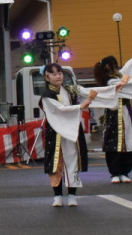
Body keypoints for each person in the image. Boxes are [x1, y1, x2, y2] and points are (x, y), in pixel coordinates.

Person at [38, 63, 121, 208]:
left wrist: (112, 90)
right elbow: (60, 109)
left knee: (73, 161)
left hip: (72, 131)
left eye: (60, 73)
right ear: (47, 77)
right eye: (54, 74)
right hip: (56, 133)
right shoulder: (47, 95)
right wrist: (82, 105)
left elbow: (90, 91)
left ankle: (72, 195)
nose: (58, 76)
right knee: (56, 164)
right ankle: (57, 195)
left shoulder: (71, 89)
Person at [93, 49, 132, 183]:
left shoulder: (119, 76)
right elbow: (124, 84)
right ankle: (115, 173)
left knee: (127, 141)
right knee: (115, 142)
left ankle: (125, 172)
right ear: (108, 67)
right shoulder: (110, 82)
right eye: (114, 65)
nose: (118, 68)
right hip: (114, 114)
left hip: (125, 113)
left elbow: (129, 67)